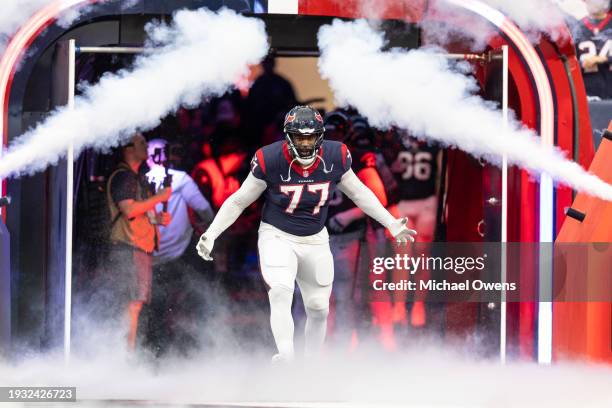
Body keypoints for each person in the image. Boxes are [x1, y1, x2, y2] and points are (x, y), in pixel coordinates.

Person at [196, 105, 417, 362]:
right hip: (277, 234)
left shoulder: (337, 155)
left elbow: (360, 193)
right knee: (280, 292)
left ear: (320, 137)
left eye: (310, 137)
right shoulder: (271, 159)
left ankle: (311, 362)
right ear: (288, 137)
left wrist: (390, 223)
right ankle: (287, 356)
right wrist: (212, 233)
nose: (304, 143)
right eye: (299, 137)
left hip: (315, 237)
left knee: (319, 307)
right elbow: (238, 201)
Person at [145, 138, 214, 355]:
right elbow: (204, 208)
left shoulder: (139, 179)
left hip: (150, 252)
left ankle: (156, 349)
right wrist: (207, 225)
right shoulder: (181, 179)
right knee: (198, 290)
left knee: (156, 303)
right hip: (180, 251)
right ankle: (197, 342)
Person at [106, 133, 172, 351]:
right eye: (141, 143)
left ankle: (128, 353)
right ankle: (126, 356)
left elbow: (140, 212)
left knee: (134, 305)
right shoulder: (123, 177)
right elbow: (129, 209)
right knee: (131, 305)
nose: (146, 147)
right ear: (128, 149)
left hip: (137, 248)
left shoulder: (134, 178)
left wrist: (156, 218)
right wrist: (159, 198)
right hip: (129, 248)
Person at [574, 0, 612, 99]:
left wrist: (603, 59)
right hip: (589, 94)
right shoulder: (577, 27)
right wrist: (581, 63)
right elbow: (569, 63)